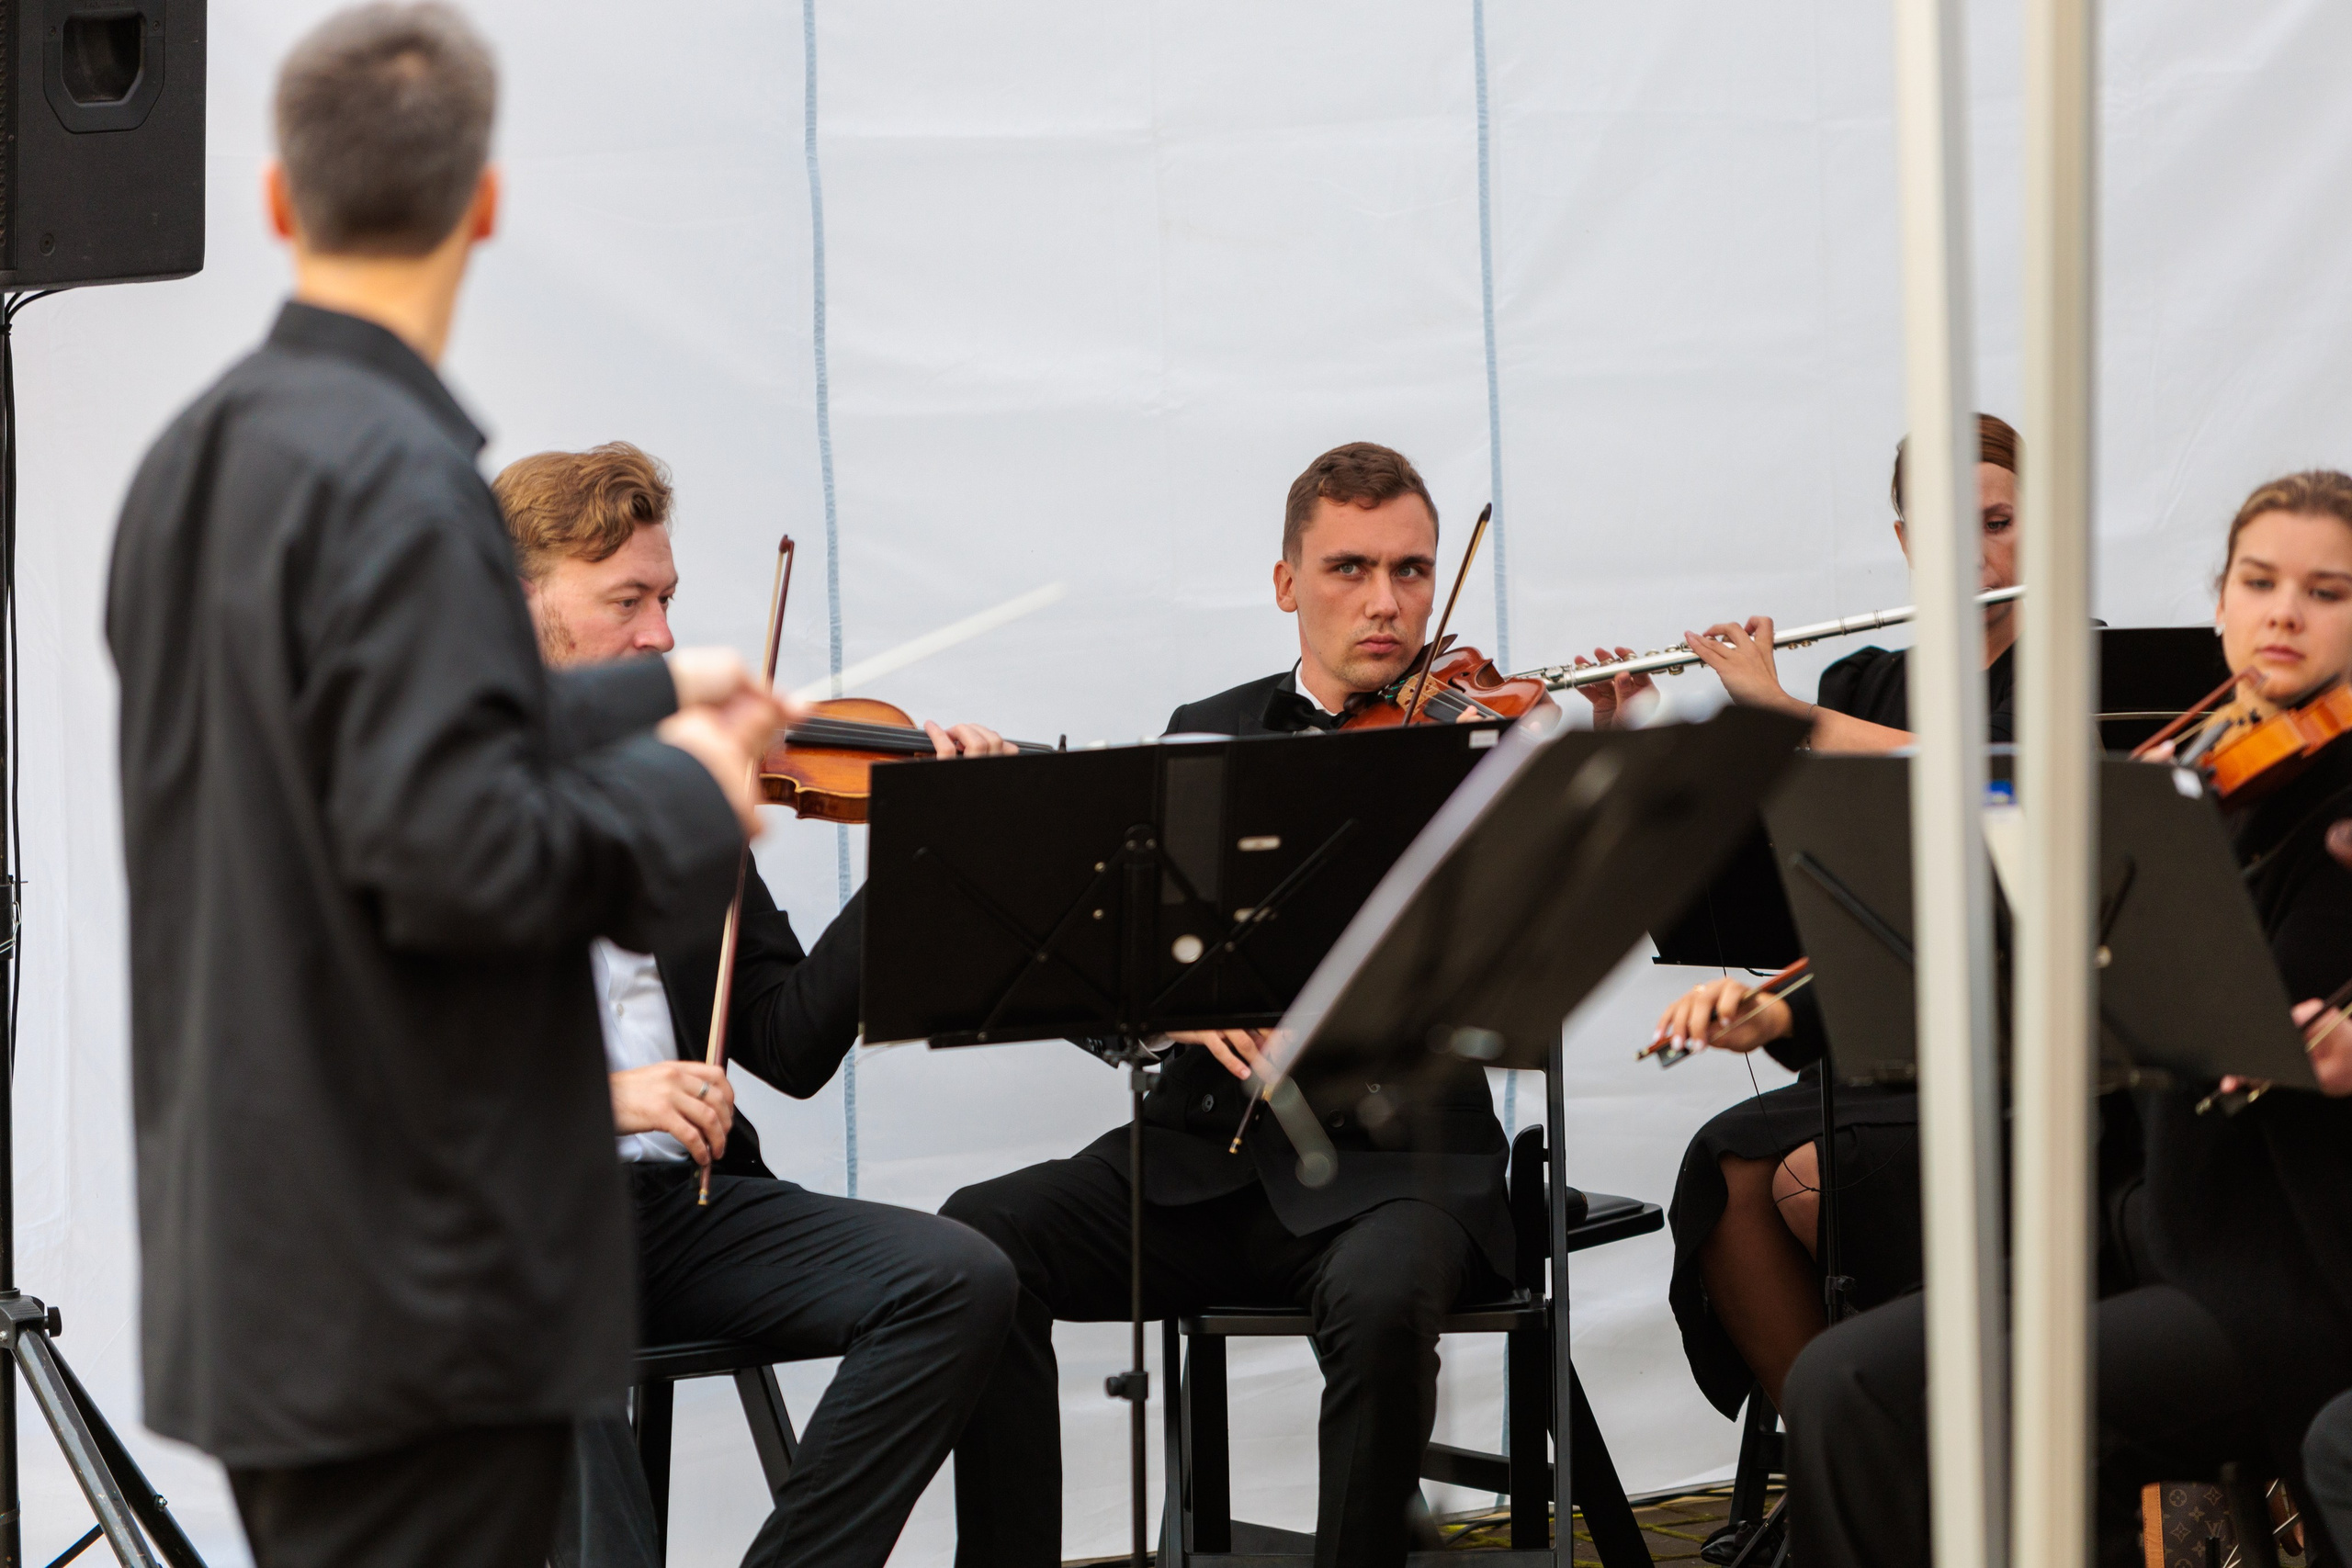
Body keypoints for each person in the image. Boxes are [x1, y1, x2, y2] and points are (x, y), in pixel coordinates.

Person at [104, 9, 789, 1568]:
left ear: (280, 202)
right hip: (415, 1289)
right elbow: (456, 857)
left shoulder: (192, 462)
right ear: (482, 202)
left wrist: (650, 684)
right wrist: (689, 792)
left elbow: (349, 749)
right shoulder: (407, 480)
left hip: (265, 1279)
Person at [941, 443, 1578, 1568]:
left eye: (1411, 570)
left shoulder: (1482, 742)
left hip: (1398, 1170)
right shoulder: (1207, 727)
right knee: (975, 1241)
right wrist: (1167, 1003)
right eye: (1347, 568)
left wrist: (1574, 775)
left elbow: (1535, 960)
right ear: (1286, 583)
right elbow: (1110, 982)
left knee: (1382, 1308)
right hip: (1202, 1158)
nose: (1385, 603)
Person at [1783, 468, 2352, 1568]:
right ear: (2220, 603)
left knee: (2002, 1420)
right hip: (2131, 1239)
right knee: (1839, 1382)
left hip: (2284, 1277)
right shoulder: (2192, 782)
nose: (2284, 612)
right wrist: (1783, 1016)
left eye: (2327, 591)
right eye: (2258, 581)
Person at [493, 443, 1020, 1567]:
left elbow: (785, 1042)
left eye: (667, 600)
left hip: (680, 1207)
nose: (662, 637)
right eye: (625, 602)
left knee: (960, 1278)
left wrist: (922, 848)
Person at [1643, 414, 2024, 1442]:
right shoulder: (1859, 683)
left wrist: (1782, 715)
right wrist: (1634, 740)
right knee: (1725, 1168)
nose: (1974, 555)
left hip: (2024, 1056)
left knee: (1818, 1176)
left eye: (1996, 523)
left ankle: (1942, 1466)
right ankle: (1847, 1475)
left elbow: (1994, 776)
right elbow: (1784, 892)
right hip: (1881, 1041)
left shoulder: (2082, 670)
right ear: (1906, 544)